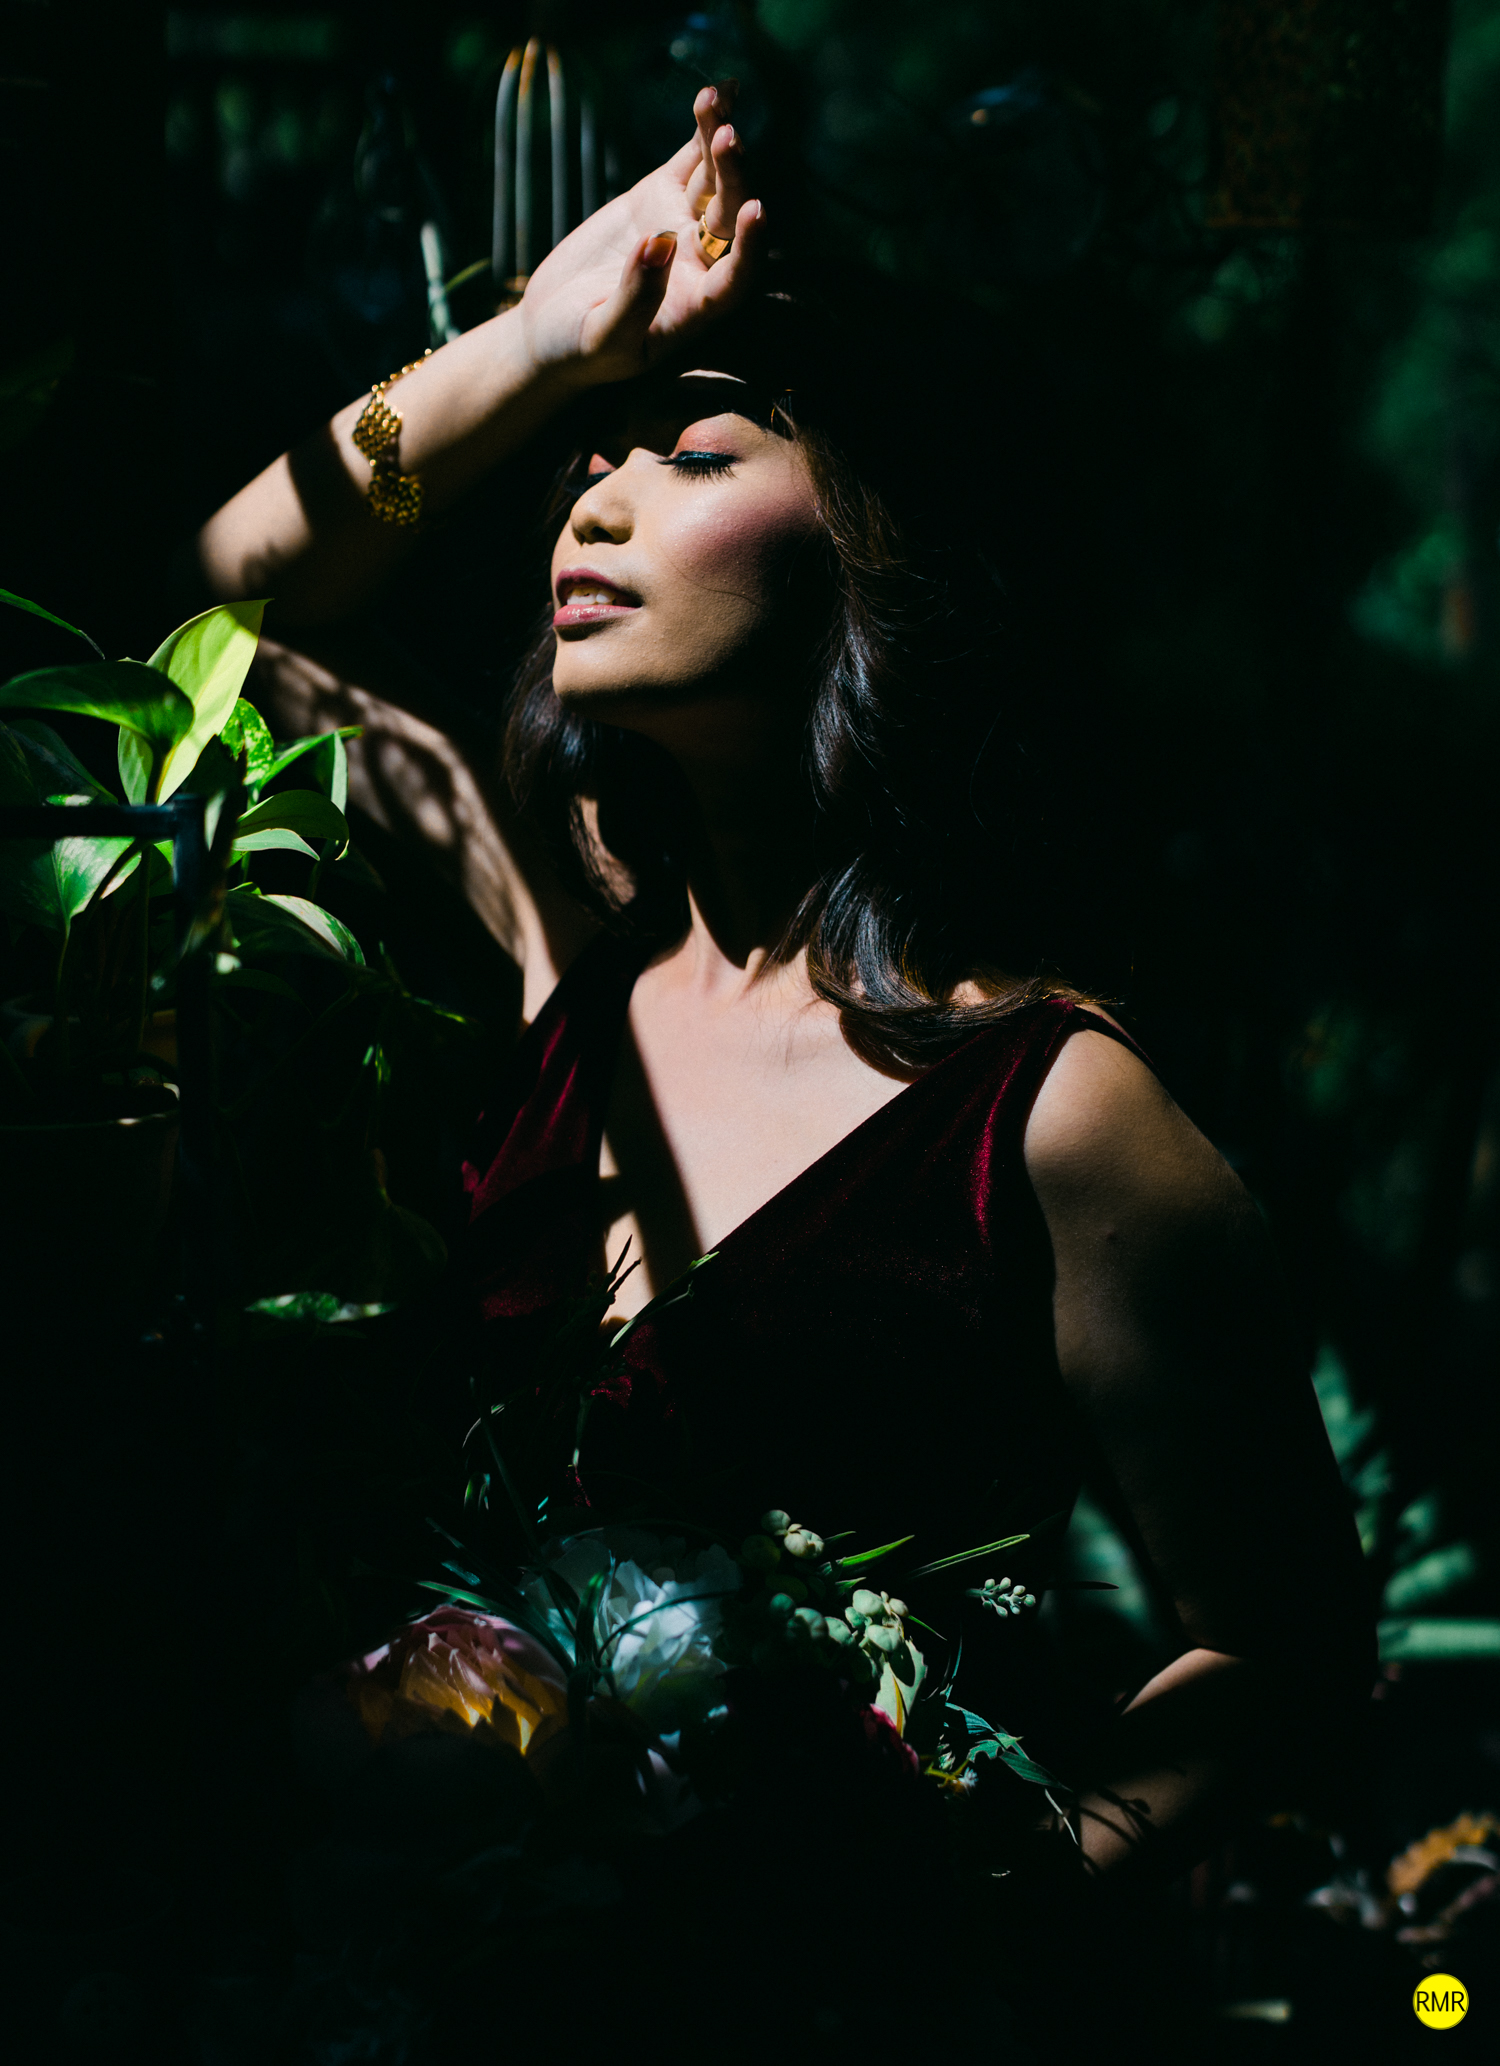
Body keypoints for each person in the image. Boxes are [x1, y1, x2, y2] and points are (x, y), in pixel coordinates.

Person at [198, 78, 1369, 1953]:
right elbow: (240, 604)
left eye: (691, 454)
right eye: (586, 464)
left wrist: (982, 1909)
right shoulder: (565, 955)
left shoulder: (1053, 1114)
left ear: (875, 548)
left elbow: (1284, 1644)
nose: (594, 496)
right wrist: (530, 346)